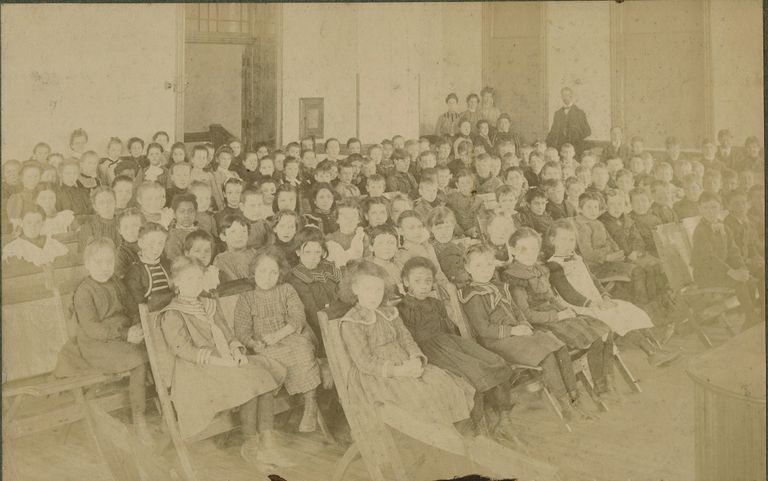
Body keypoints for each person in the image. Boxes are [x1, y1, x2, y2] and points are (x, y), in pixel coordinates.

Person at [159, 256, 293, 466]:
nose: (195, 284)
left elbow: (228, 334)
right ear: (176, 282)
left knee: (262, 376)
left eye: (198, 278)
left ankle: (267, 445)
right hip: (196, 371)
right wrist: (224, 362)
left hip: (225, 361)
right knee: (250, 381)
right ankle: (251, 445)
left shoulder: (209, 304)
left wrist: (237, 351)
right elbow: (184, 351)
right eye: (189, 279)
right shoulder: (173, 313)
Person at [458, 245, 593, 420]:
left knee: (559, 347)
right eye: (478, 266)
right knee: (546, 356)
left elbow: (517, 311)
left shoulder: (499, 287)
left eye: (489, 264)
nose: (485, 270)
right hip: (497, 342)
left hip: (519, 335)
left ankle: (575, 400)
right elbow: (483, 329)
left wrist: (523, 325)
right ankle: (565, 406)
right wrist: (514, 330)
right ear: (468, 268)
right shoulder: (472, 295)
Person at [339, 260, 475, 425]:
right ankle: (432, 436)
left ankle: (447, 432)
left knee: (444, 384)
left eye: (379, 290)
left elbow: (406, 338)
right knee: (416, 398)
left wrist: (415, 359)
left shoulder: (390, 312)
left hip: (405, 361)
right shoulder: (352, 321)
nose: (374, 295)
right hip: (379, 376)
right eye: (368, 289)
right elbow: (365, 362)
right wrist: (399, 370)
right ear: (355, 289)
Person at [397, 256, 513, 429]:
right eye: (417, 281)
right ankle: (478, 426)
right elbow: (408, 340)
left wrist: (463, 346)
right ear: (406, 281)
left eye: (428, 281)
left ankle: (504, 416)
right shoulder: (403, 308)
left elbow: (448, 327)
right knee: (473, 372)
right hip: (431, 349)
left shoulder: (436, 303)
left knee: (494, 361)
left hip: (450, 342)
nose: (423, 286)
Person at [542, 221, 679, 367]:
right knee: (615, 317)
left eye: (571, 239)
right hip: (579, 308)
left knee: (626, 309)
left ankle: (655, 350)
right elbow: (568, 293)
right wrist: (593, 303)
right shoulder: (554, 265)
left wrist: (604, 295)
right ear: (552, 240)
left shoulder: (577, 257)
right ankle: (652, 352)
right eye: (563, 239)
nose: (568, 243)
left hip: (597, 301)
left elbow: (593, 279)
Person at [53, 238, 151, 443]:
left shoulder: (116, 281)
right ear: (87, 264)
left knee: (153, 347)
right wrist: (125, 335)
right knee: (139, 359)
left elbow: (132, 307)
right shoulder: (84, 291)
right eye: (98, 262)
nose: (105, 267)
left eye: (109, 261)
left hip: (121, 336)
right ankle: (139, 417)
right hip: (97, 344)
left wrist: (137, 326)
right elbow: (92, 328)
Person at [234, 250, 323, 432]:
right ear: (254, 273)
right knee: (272, 357)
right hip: (264, 344)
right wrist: (252, 343)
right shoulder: (246, 299)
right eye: (263, 271)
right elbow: (242, 331)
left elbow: (298, 316)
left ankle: (310, 403)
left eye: (273, 272)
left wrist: (279, 334)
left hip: (290, 334)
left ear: (280, 274)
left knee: (302, 349)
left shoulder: (286, 290)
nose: (268, 277)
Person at [692, 192, 757, 329]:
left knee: (749, 280)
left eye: (714, 207)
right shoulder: (700, 231)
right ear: (700, 209)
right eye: (706, 208)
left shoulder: (724, 227)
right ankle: (750, 317)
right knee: (740, 283)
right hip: (705, 274)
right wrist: (731, 272)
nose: (711, 211)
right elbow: (710, 258)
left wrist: (742, 268)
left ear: (720, 208)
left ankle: (749, 316)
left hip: (721, 271)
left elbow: (733, 251)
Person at [288, 226, 342, 348]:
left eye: (317, 252)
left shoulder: (329, 268)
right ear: (298, 252)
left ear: (323, 252)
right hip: (320, 328)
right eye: (307, 252)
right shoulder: (297, 277)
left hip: (340, 318)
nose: (312, 257)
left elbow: (343, 293)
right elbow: (312, 314)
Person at [124, 222, 173, 312]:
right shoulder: (135, 272)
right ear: (141, 242)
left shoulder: (169, 265)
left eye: (160, 243)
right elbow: (138, 306)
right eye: (152, 242)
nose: (156, 247)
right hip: (148, 316)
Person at [546, 87, 591, 156]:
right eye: (563, 95)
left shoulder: (579, 113)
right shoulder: (557, 114)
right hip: (560, 149)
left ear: (571, 96)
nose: (565, 98)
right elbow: (553, 131)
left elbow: (587, 131)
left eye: (567, 95)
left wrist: (576, 137)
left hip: (575, 149)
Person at [77, 187, 119, 253]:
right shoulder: (89, 227)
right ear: (95, 207)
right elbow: (85, 254)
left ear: (115, 203)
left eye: (110, 201)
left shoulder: (123, 223)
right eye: (101, 202)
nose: (106, 205)